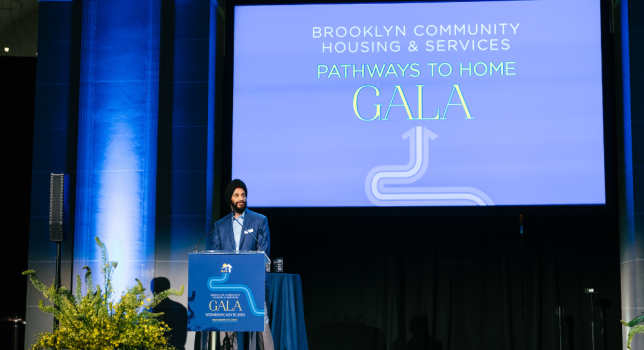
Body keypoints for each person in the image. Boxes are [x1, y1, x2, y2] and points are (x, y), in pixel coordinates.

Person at [211, 179, 274, 350]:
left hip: (253, 283)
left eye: (243, 195)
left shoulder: (259, 221)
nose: (241, 198)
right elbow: (216, 257)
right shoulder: (220, 226)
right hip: (228, 285)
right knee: (227, 327)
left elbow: (263, 253)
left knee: (262, 325)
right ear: (229, 199)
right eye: (237, 195)